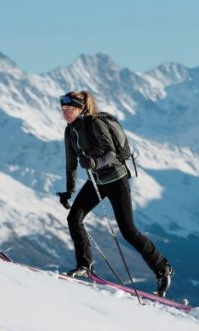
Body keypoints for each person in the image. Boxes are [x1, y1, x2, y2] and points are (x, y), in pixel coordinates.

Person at [55, 90, 174, 297]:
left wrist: (94, 162)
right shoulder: (69, 131)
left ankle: (162, 268)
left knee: (128, 231)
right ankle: (84, 265)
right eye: (63, 109)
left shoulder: (95, 124)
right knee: (74, 218)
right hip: (97, 182)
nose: (65, 113)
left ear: (80, 109)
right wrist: (69, 191)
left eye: (69, 109)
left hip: (116, 180)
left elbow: (111, 153)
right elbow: (71, 163)